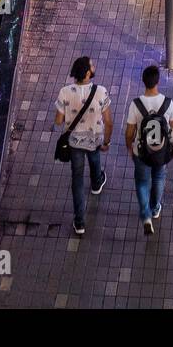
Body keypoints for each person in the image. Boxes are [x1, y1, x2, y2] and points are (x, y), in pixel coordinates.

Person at [54, 56, 112, 236]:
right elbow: (108, 121)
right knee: (95, 159)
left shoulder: (65, 92)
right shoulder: (101, 91)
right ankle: (96, 183)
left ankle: (79, 221)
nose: (94, 67)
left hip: (74, 142)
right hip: (94, 138)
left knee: (77, 179)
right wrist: (107, 141)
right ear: (87, 73)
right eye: (92, 65)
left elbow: (58, 121)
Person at [125, 65, 173, 236]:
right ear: (158, 81)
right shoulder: (168, 103)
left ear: (143, 82)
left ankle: (146, 215)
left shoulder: (136, 104)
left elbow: (130, 132)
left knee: (142, 182)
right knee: (158, 177)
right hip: (162, 152)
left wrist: (129, 147)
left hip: (141, 152)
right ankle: (155, 208)